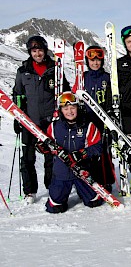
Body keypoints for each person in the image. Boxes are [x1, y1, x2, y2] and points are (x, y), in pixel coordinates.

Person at [13, 35, 70, 204]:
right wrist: (17, 116)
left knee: (51, 157)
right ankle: (30, 191)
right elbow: (18, 94)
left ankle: (52, 185)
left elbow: (64, 91)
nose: (37, 53)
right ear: (30, 52)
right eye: (34, 51)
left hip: (50, 120)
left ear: (45, 51)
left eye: (40, 50)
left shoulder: (55, 68)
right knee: (28, 158)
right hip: (29, 121)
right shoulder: (23, 71)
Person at [36, 92, 103, 213]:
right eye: (65, 108)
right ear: (60, 110)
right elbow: (48, 146)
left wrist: (82, 153)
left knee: (94, 202)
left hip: (82, 170)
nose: (70, 111)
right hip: (61, 172)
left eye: (73, 107)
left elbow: (98, 147)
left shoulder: (88, 126)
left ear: (78, 107)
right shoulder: (54, 126)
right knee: (55, 207)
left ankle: (86, 191)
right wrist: (43, 147)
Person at [73, 45, 115, 192]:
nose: (95, 63)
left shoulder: (107, 78)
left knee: (104, 150)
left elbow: (112, 96)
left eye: (98, 60)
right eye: (92, 60)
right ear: (87, 61)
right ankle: (90, 180)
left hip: (103, 118)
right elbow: (75, 93)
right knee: (89, 150)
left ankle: (107, 180)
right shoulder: (83, 77)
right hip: (87, 118)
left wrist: (110, 113)